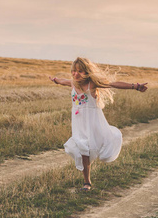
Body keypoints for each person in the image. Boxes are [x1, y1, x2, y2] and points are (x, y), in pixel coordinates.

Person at [49, 57, 148, 191]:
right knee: (83, 149)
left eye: (80, 71)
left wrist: (135, 86)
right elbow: (63, 81)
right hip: (79, 124)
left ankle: (97, 159)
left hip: (94, 122)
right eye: (73, 71)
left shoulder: (93, 84)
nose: (76, 74)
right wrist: (55, 80)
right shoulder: (73, 83)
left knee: (94, 146)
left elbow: (114, 84)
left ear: (87, 72)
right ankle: (87, 182)